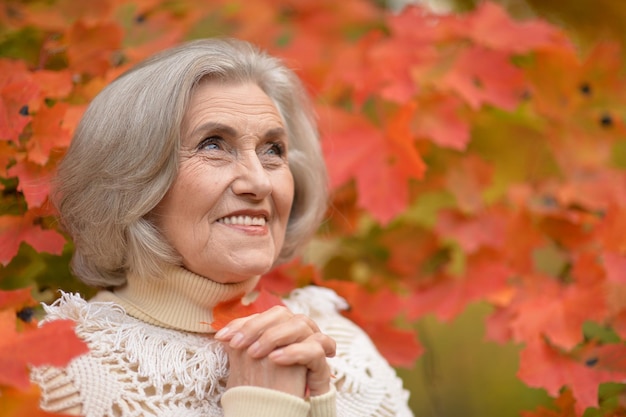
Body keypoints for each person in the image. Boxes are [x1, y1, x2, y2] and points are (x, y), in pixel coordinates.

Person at [31, 38, 414, 417]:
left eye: (273, 150)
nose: (260, 182)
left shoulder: (344, 350)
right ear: (131, 181)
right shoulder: (59, 371)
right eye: (213, 145)